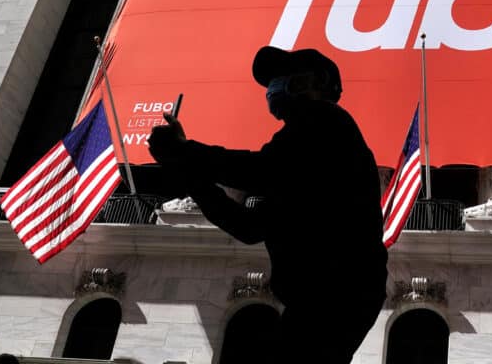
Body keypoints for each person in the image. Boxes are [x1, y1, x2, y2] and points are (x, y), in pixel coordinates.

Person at [148, 47, 388, 364]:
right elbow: (247, 227)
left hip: (336, 292)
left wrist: (184, 152)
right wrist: (189, 172)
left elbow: (258, 171)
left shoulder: (327, 121)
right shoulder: (296, 155)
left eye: (286, 76)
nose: (274, 86)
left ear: (316, 83)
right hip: (326, 297)